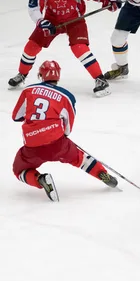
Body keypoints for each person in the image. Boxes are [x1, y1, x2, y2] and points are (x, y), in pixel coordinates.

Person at [12, 60, 118, 202]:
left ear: (40, 75)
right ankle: (101, 173)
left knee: (19, 170)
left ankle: (41, 179)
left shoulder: (28, 91)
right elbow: (68, 128)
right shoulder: (66, 96)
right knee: (80, 159)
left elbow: (16, 116)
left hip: (32, 146)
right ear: (58, 76)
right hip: (57, 143)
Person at [7, 0, 122, 97]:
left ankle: (100, 79)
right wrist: (41, 21)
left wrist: (107, 0)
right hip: (51, 21)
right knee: (31, 47)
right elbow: (34, 7)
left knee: (79, 48)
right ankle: (22, 74)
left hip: (75, 20)